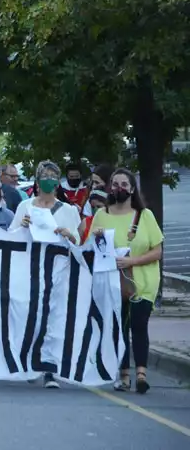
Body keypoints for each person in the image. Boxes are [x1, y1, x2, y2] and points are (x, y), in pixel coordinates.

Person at [90, 169, 163, 395]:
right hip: (113, 281)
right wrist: (97, 238)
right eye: (115, 184)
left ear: (132, 188)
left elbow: (157, 251)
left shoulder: (145, 215)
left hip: (143, 280)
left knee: (139, 326)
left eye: (124, 184)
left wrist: (133, 260)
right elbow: (94, 247)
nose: (119, 188)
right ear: (110, 188)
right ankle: (123, 375)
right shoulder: (101, 215)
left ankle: (141, 373)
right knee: (118, 327)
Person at [8, 160, 80, 389]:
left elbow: (79, 243)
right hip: (29, 270)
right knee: (29, 315)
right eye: (45, 176)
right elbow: (11, 238)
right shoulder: (25, 207)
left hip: (58, 272)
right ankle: (30, 362)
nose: (49, 180)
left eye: (53, 176)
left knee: (53, 319)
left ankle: (49, 369)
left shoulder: (67, 211)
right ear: (37, 182)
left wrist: (69, 234)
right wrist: (23, 227)